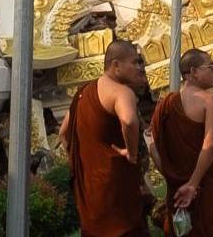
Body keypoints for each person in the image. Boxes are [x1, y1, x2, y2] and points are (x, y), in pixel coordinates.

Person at [60, 39, 151, 237]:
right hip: (117, 190)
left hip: (91, 190)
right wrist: (132, 152)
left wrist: (82, 160)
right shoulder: (122, 91)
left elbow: (63, 132)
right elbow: (128, 121)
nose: (138, 67)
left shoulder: (83, 93)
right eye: (134, 62)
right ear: (116, 65)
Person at [152, 49, 213, 237]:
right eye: (210, 67)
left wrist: (173, 177)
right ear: (192, 72)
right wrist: (193, 183)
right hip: (205, 182)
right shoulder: (210, 101)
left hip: (178, 187)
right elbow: (209, 145)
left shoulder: (165, 104)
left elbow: (153, 147)